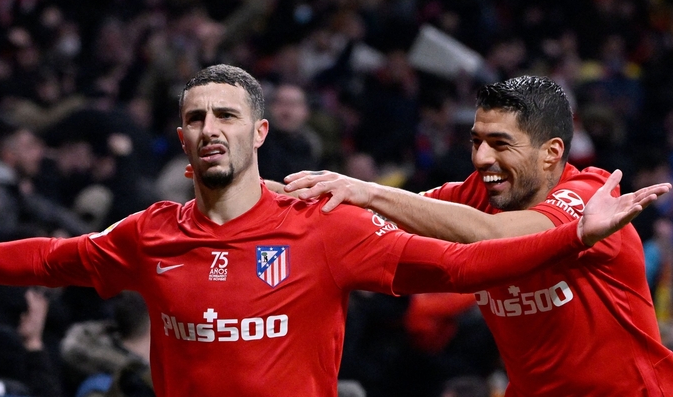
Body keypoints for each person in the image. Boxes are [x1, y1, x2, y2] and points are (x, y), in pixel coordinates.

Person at [0, 65, 668, 397]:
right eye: (194, 118)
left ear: (260, 134)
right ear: (179, 140)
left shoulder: (587, 202)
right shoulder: (149, 233)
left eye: (226, 115)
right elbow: (55, 258)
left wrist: (361, 192)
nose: (482, 157)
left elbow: (469, 262)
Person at [282, 75, 673, 396]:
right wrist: (245, 192)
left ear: (551, 152)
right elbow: (347, 207)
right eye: (476, 141)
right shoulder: (477, 193)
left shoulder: (591, 197)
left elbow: (495, 234)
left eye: (500, 144)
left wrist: (369, 189)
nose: (481, 158)